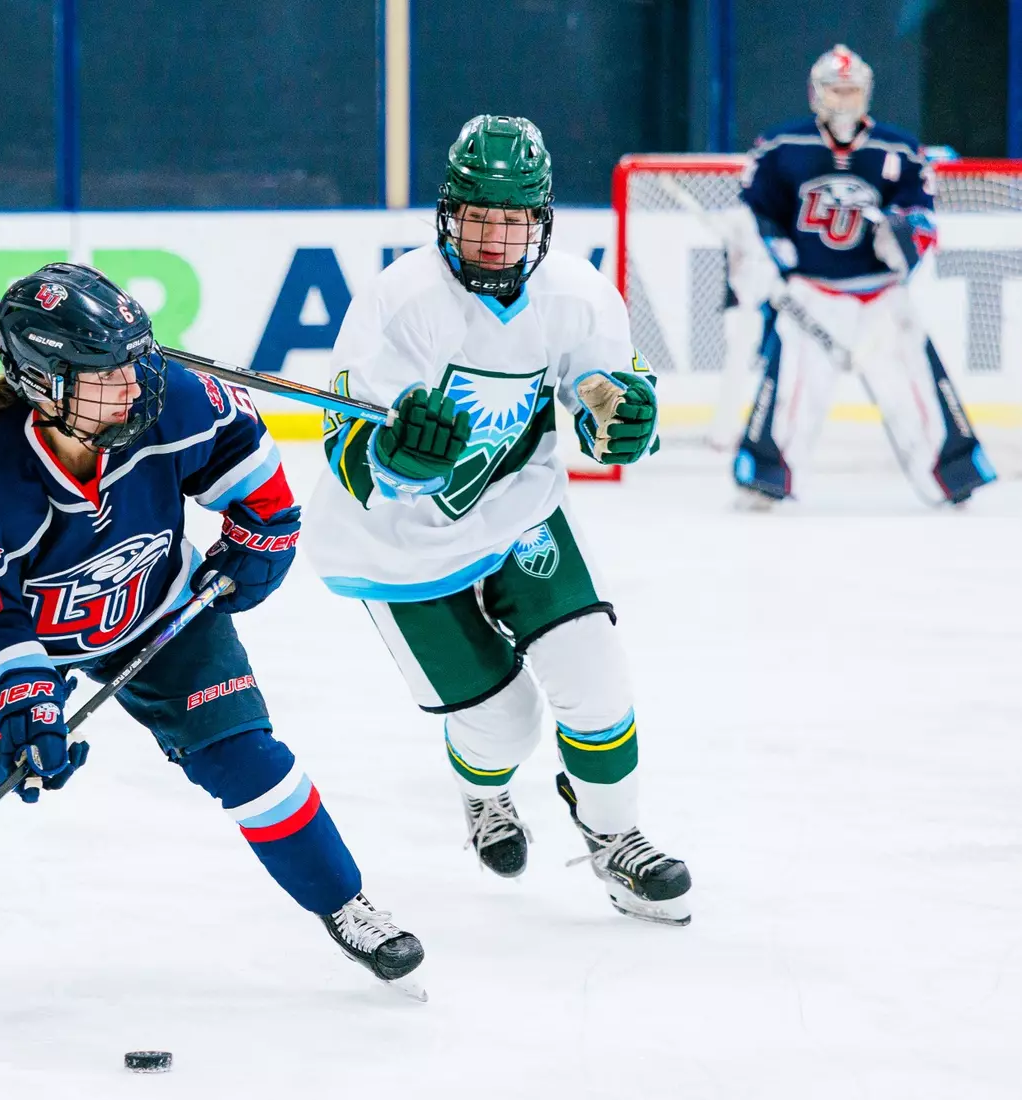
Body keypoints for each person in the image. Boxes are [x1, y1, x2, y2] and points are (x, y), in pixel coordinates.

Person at [0, 263, 425, 997]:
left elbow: (243, 452)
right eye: (107, 374)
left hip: (158, 607)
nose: (134, 386)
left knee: (247, 757)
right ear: (46, 385)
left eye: (136, 362)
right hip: (30, 642)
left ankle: (345, 905)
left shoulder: (174, 397)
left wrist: (263, 534)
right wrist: (25, 704)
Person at [306, 115, 691, 926]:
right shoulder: (400, 299)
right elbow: (343, 433)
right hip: (396, 543)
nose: (493, 236)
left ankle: (615, 837)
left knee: (595, 678)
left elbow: (605, 394)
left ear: (541, 220)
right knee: (505, 724)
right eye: (478, 215)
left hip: (519, 510)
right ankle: (483, 792)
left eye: (513, 218)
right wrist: (391, 458)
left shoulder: (579, 294)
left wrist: (625, 421)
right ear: (449, 213)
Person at [730, 44, 993, 507]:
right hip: (812, 294)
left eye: (853, 91)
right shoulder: (781, 147)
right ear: (816, 94)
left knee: (918, 388)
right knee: (792, 390)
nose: (845, 100)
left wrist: (903, 235)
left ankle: (952, 474)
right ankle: (767, 475)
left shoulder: (900, 149)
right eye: (836, 90)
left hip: (883, 300)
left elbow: (922, 218)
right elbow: (754, 215)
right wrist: (769, 256)